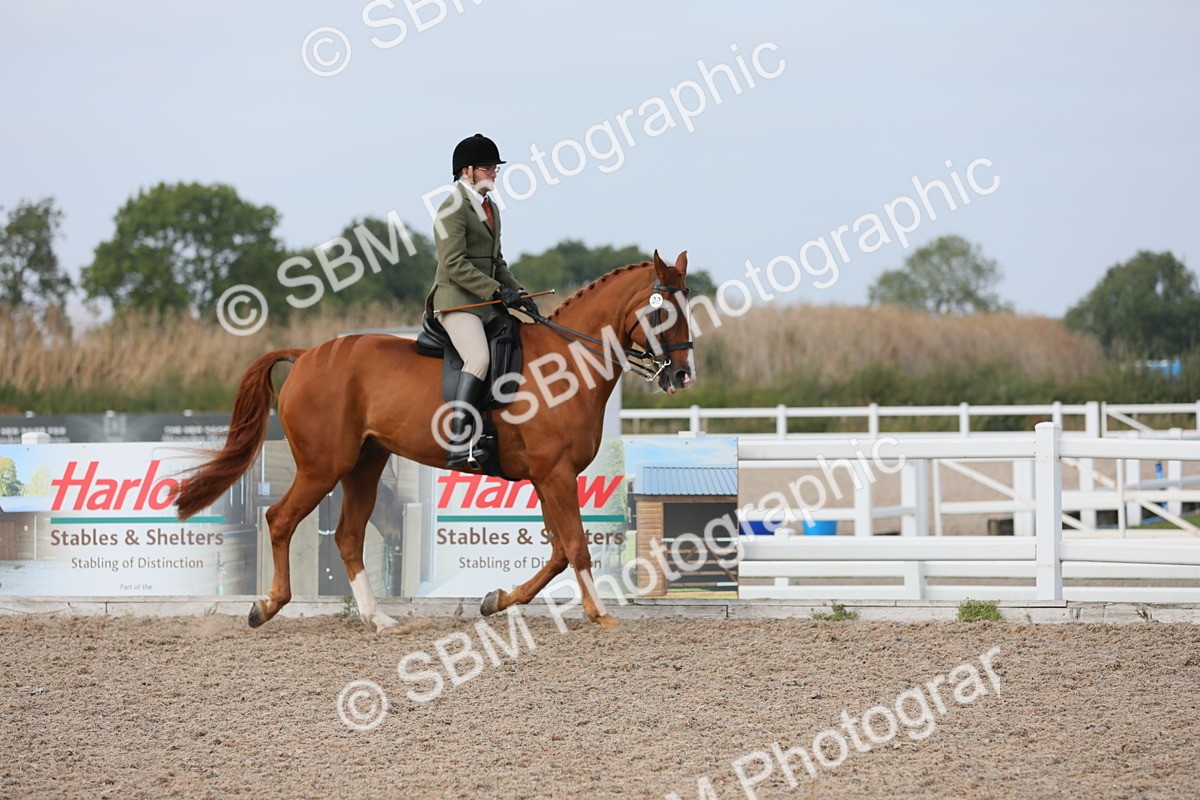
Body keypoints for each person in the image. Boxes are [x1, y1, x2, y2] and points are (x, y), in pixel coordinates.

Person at [425, 133, 539, 470]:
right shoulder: (451, 210)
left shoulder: (491, 209)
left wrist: (519, 293)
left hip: (484, 303)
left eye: (495, 167)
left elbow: (497, 263)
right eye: (488, 166)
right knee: (478, 357)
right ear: (467, 171)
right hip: (456, 302)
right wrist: (495, 291)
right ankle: (459, 440)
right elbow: (454, 265)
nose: (494, 171)